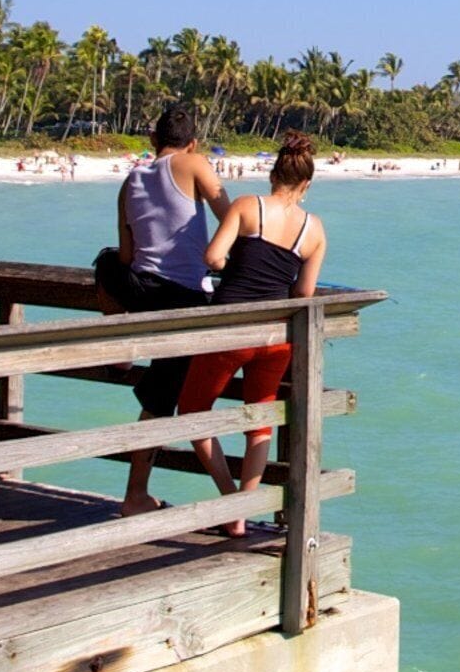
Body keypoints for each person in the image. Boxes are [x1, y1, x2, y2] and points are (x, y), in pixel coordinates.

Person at [180, 133, 328, 513]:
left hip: (231, 329)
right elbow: (305, 292)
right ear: (306, 184)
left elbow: (213, 257)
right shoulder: (314, 230)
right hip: (277, 335)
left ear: (272, 175)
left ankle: (230, 501)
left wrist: (236, 269)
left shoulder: (248, 207)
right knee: (260, 418)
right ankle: (245, 507)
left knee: (193, 411)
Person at [93, 104, 227, 514]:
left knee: (104, 260)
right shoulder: (195, 163)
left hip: (141, 292)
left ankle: (121, 345)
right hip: (184, 298)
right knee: (160, 403)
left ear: (152, 141)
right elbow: (232, 219)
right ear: (193, 142)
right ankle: (139, 495)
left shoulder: (131, 179)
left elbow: (127, 254)